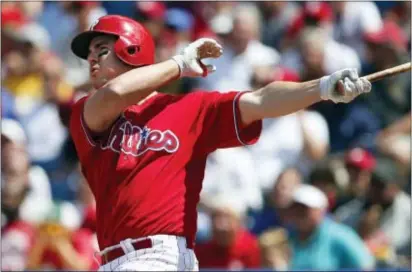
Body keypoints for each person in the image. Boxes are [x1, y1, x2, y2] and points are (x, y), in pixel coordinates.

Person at [69, 14, 371, 271]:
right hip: (112, 261)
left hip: (161, 257)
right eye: (90, 52)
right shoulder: (89, 109)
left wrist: (321, 88)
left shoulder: (188, 109)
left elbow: (260, 99)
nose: (91, 58)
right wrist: (180, 63)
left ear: (131, 50)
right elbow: (115, 94)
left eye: (101, 48)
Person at [287, 184, 375, 270]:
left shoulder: (339, 234)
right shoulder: (288, 236)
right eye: (295, 207)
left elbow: (366, 264)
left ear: (320, 210)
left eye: (305, 208)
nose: (299, 212)